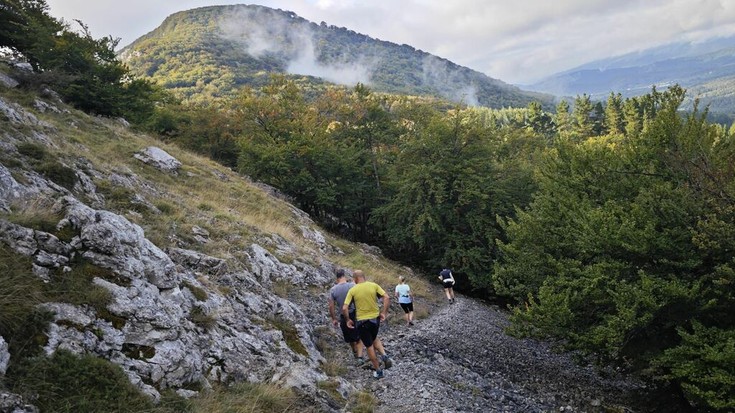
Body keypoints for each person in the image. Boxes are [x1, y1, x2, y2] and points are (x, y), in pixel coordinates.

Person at [342, 269, 392, 379]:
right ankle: (384, 356)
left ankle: (378, 371)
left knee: (369, 346)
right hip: (375, 319)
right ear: (364, 277)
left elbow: (345, 307)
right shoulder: (373, 285)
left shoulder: (353, 290)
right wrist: (384, 312)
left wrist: (347, 320)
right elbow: (387, 297)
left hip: (362, 322)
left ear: (355, 279)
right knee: (374, 338)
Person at [328, 269, 362, 362]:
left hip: (343, 316)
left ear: (337, 278)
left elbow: (331, 306)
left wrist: (334, 318)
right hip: (354, 313)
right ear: (344, 276)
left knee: (349, 337)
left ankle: (355, 353)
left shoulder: (333, 290)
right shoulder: (352, 285)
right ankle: (360, 357)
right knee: (358, 336)